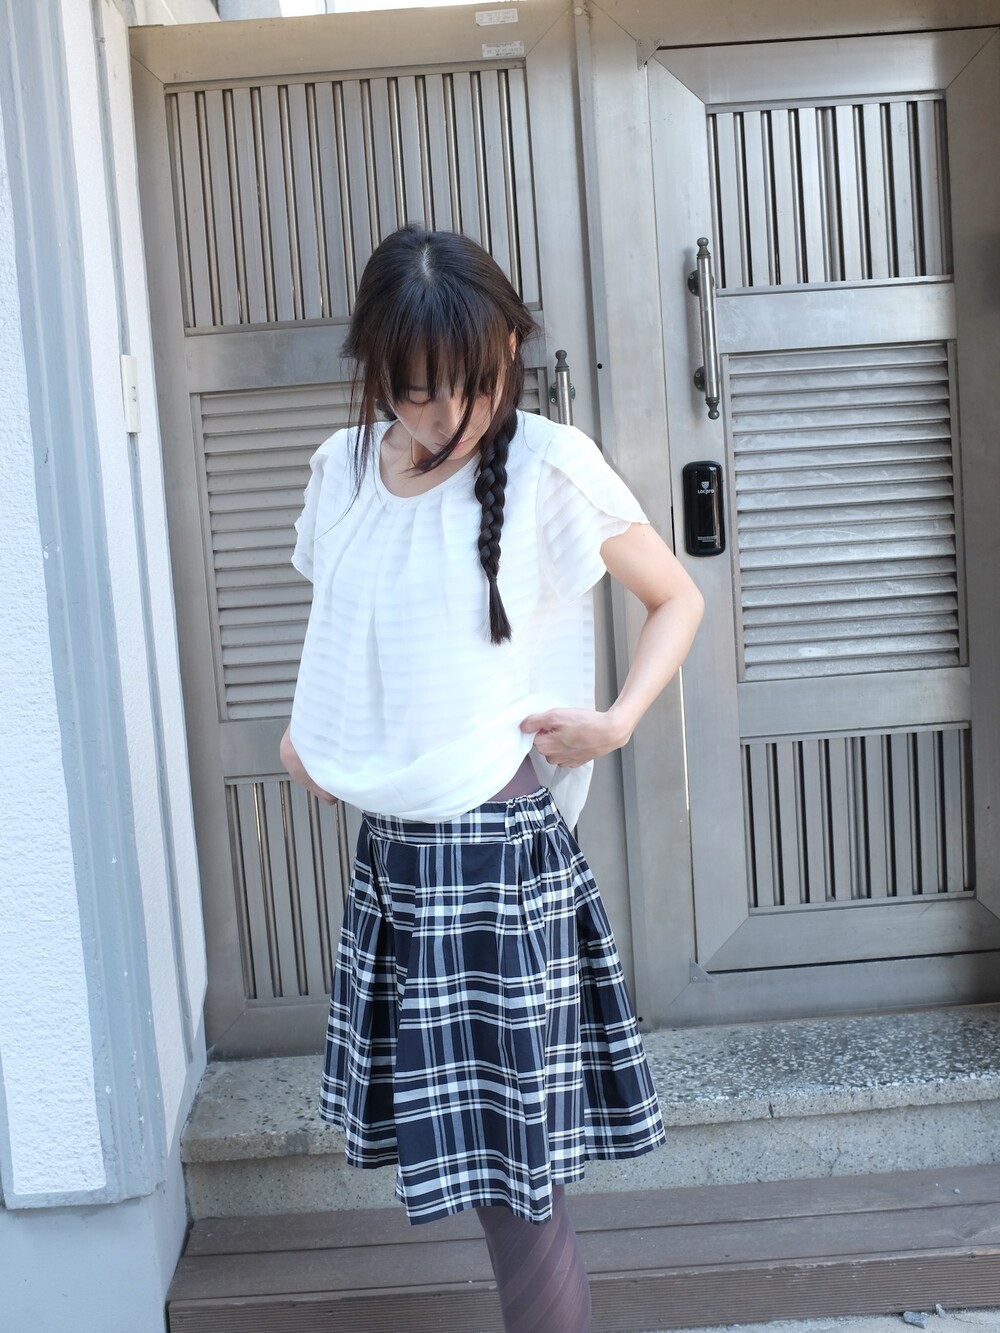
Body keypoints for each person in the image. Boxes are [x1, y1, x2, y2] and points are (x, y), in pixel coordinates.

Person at [280, 225, 704, 1333]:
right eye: (415, 391)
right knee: (494, 1179)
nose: (447, 417)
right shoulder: (343, 469)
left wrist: (614, 721)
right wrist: (309, 732)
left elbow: (677, 596)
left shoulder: (550, 462)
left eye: (470, 385)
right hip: (397, 856)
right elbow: (344, 627)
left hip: (499, 854)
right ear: (376, 372)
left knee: (519, 1185)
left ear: (510, 347)